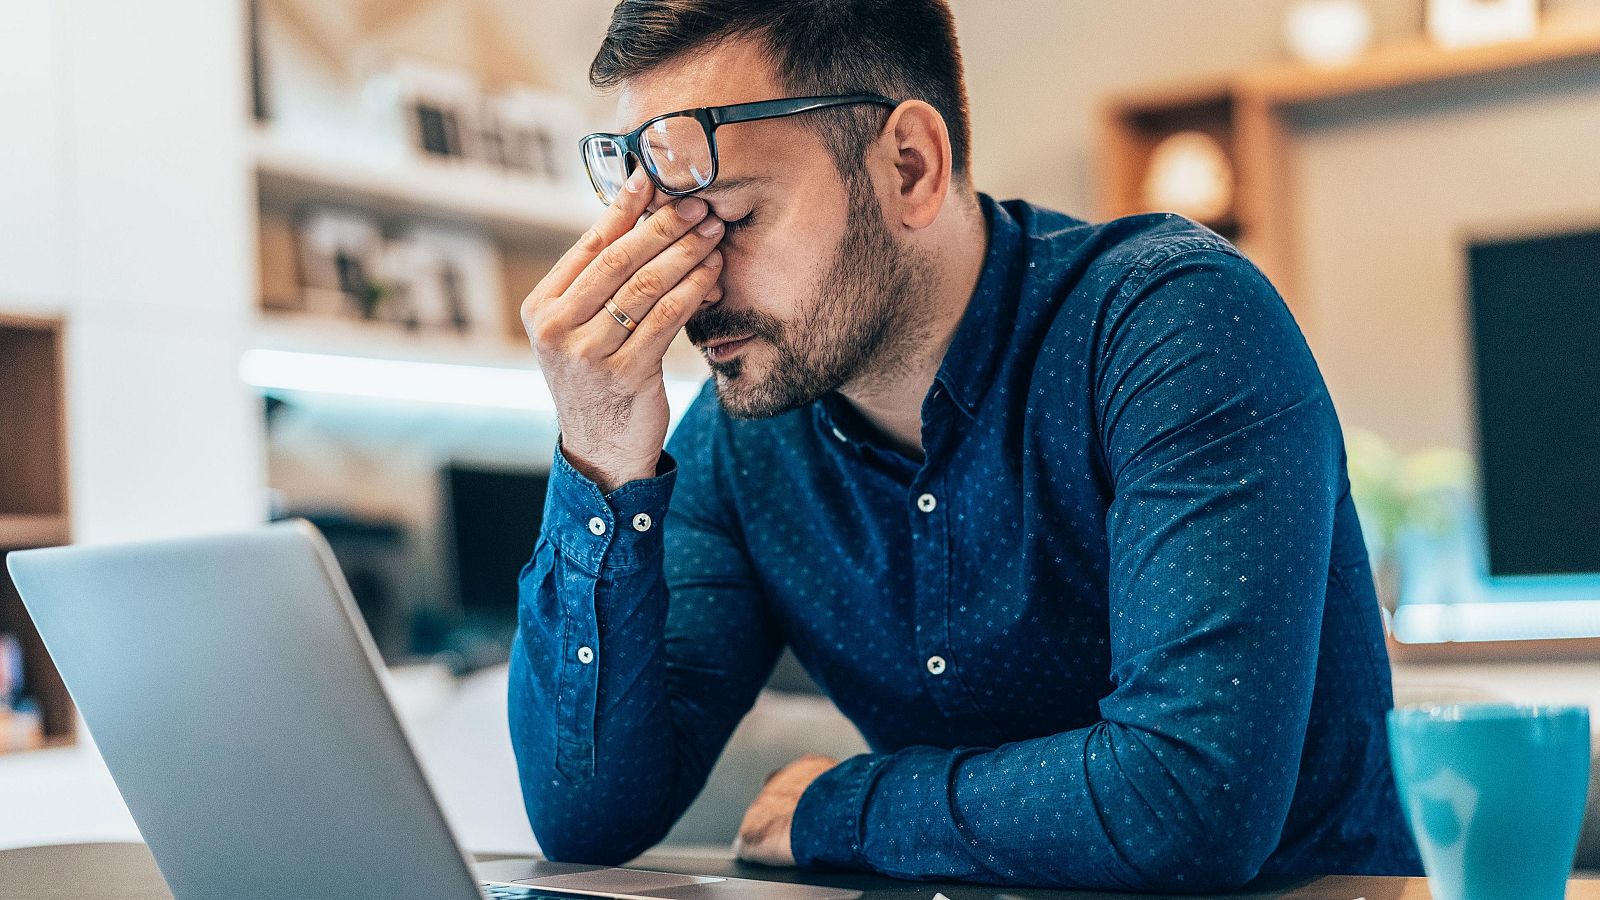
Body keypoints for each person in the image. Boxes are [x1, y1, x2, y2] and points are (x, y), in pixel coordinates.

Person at [509, 0, 1423, 891]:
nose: (695, 289)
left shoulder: (1174, 326)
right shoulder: (745, 445)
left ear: (910, 165)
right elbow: (589, 820)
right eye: (665, 232)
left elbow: (1187, 802)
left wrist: (850, 807)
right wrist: (599, 459)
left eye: (734, 220)